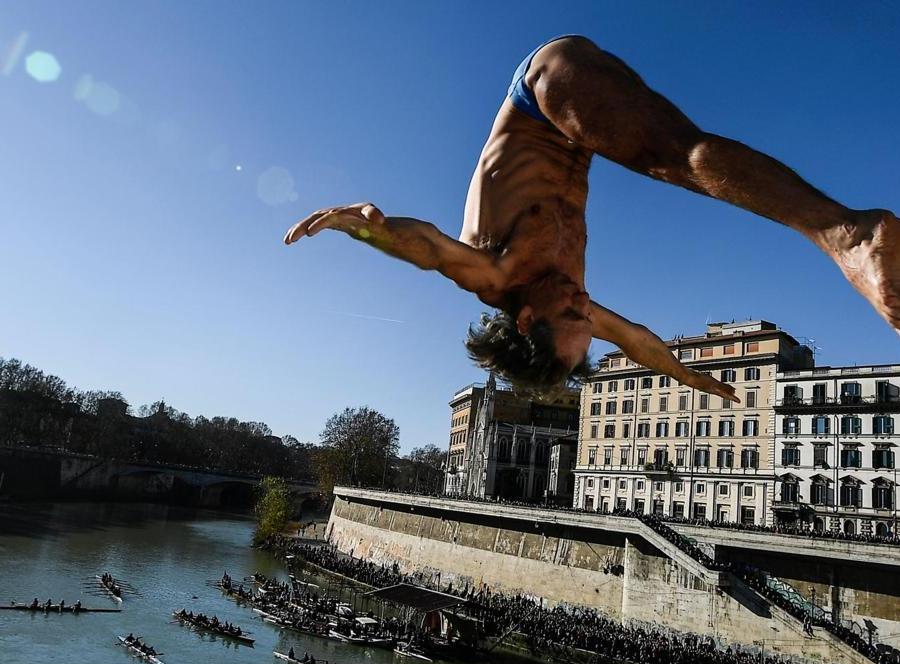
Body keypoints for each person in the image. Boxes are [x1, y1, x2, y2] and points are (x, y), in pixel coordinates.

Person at [284, 35, 899, 396]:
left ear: (526, 319)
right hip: (585, 124)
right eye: (586, 314)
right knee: (672, 149)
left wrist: (363, 226)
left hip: (542, 92)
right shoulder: (571, 303)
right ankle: (845, 233)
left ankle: (847, 236)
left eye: (571, 312)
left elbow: (425, 250)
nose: (584, 302)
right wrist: (696, 381)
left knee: (674, 159)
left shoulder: (493, 276)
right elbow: (639, 344)